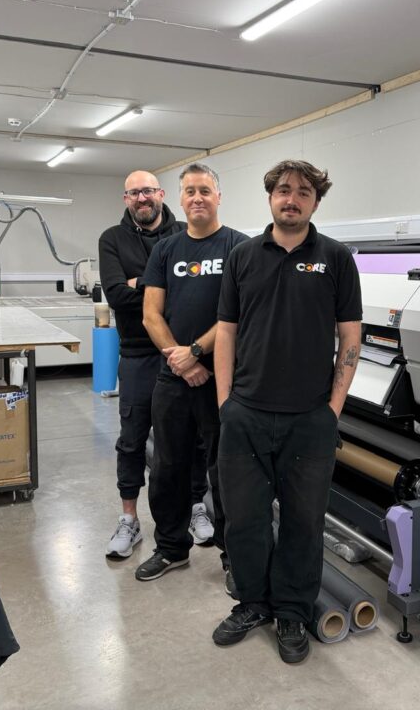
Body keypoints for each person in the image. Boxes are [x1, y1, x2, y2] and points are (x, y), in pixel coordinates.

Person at [211, 160, 362, 664]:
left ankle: (293, 612)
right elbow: (227, 331)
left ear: (315, 202)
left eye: (302, 192)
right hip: (245, 415)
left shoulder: (335, 258)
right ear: (270, 197)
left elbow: (350, 336)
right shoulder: (243, 256)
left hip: (309, 419)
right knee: (244, 521)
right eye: (282, 190)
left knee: (303, 523)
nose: (291, 198)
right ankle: (253, 603)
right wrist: (226, 403)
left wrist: (331, 410)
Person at [136, 163, 249, 582]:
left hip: (225, 379)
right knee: (168, 466)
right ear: (180, 200)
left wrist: (197, 352)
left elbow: (241, 313)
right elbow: (150, 314)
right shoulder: (166, 250)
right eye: (190, 191)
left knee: (228, 469)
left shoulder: (240, 247)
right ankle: (171, 548)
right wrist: (181, 362)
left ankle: (234, 556)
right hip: (174, 378)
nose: (197, 197)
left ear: (218, 196)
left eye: (205, 190)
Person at [98, 170, 215, 559]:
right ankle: (129, 519)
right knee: (132, 439)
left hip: (186, 352)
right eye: (134, 193)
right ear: (125, 199)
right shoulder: (112, 239)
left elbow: (195, 291)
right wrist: (161, 286)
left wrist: (140, 283)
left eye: (148, 190)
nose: (142, 198)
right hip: (138, 354)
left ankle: (196, 507)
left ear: (162, 194)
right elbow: (116, 295)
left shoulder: (184, 233)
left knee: (194, 439)